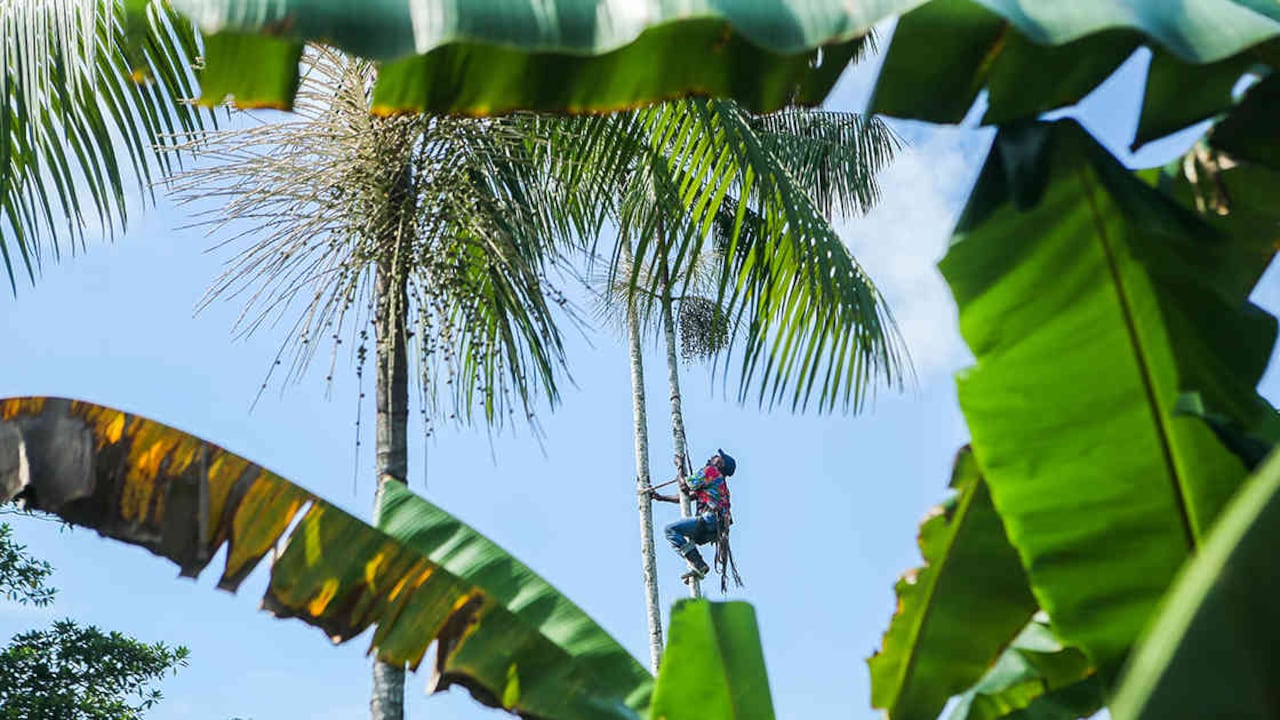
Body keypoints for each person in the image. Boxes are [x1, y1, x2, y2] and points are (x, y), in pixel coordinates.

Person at [650, 449, 740, 587]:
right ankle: (697, 566)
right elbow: (687, 496)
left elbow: (684, 486)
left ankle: (698, 563)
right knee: (684, 540)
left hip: (710, 520)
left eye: (717, 457)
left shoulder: (711, 472)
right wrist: (661, 498)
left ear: (721, 463)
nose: (713, 457)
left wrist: (679, 466)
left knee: (670, 530)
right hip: (714, 529)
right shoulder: (718, 485)